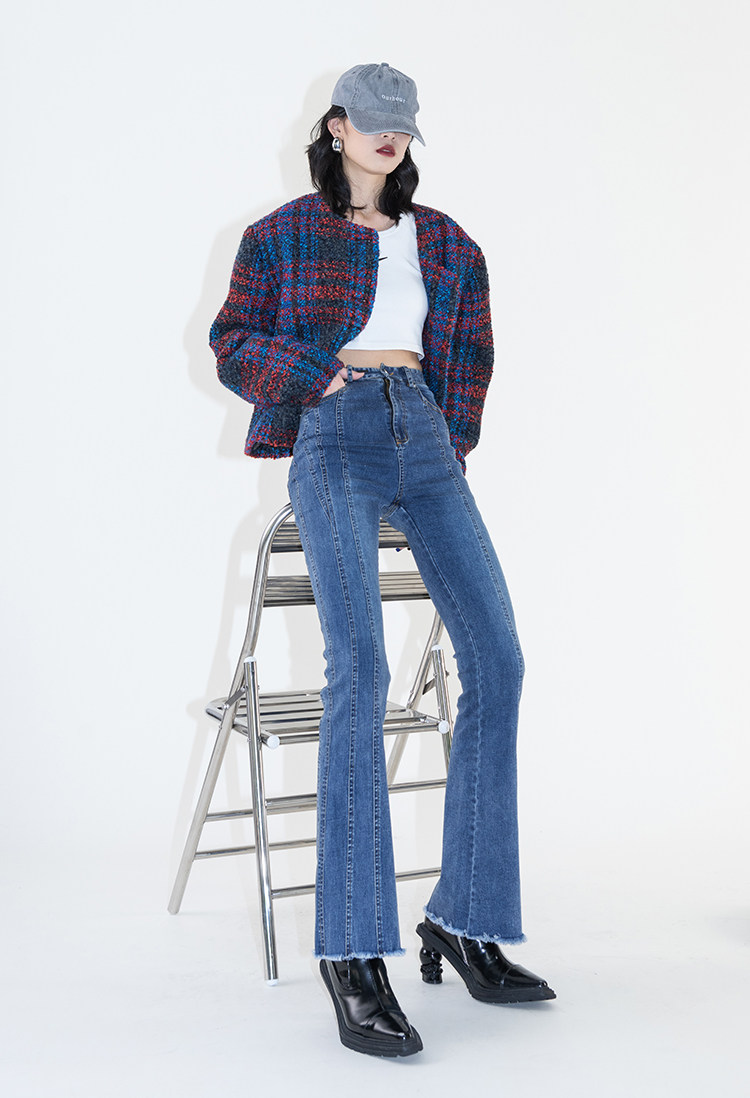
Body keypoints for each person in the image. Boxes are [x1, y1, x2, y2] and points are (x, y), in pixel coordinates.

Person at [210, 61, 555, 1058]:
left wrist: (448, 432)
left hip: (426, 438)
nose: (389, 135)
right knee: (357, 671)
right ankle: (354, 952)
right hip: (336, 438)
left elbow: (472, 350)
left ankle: (466, 918)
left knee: (498, 661)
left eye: (403, 123)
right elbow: (232, 340)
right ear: (337, 126)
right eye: (373, 121)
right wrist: (314, 377)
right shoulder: (280, 234)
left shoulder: (445, 240)